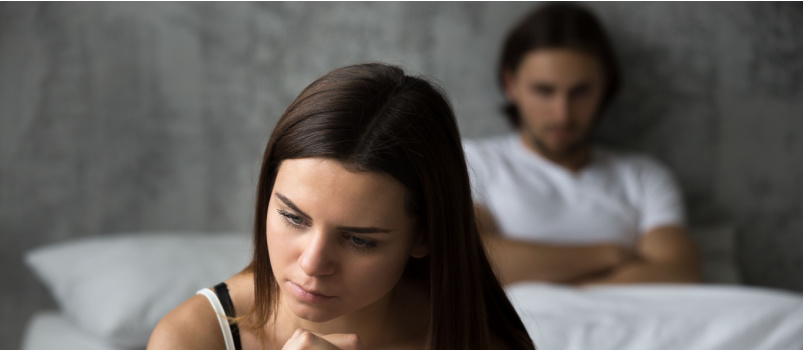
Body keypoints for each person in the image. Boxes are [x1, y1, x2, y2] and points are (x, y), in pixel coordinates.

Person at [147, 63, 535, 350]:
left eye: (359, 240)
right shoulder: (192, 339)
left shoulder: (479, 341)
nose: (313, 263)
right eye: (292, 217)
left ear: (424, 236)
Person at [465, 4, 700, 286]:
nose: (562, 114)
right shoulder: (475, 162)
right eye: (544, 91)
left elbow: (680, 273)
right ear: (511, 84)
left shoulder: (643, 176)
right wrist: (610, 254)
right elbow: (471, 261)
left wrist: (566, 287)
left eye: (580, 92)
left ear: (605, 86)